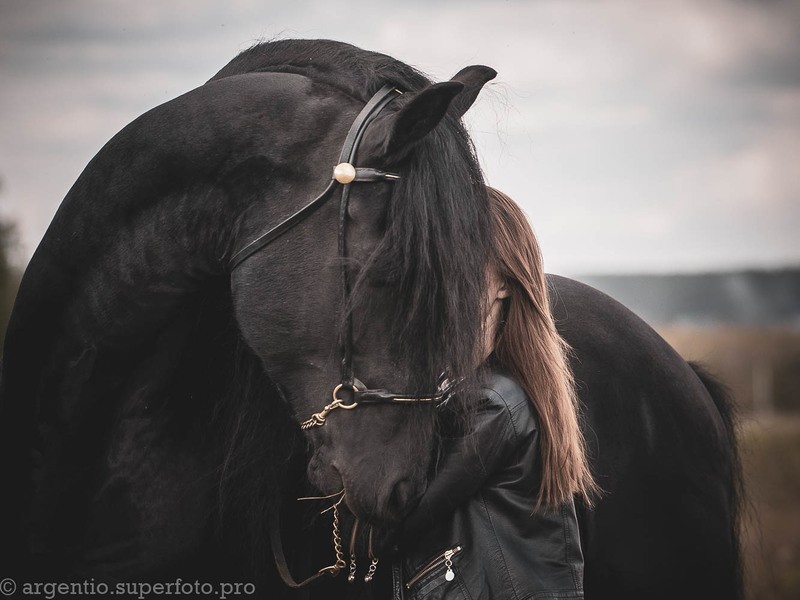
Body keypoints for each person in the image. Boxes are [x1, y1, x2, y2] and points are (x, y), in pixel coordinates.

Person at [391, 187, 599, 599]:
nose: (442, 271)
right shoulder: (475, 386)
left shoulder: (495, 403)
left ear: (503, 280)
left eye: (461, 255)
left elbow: (401, 521)